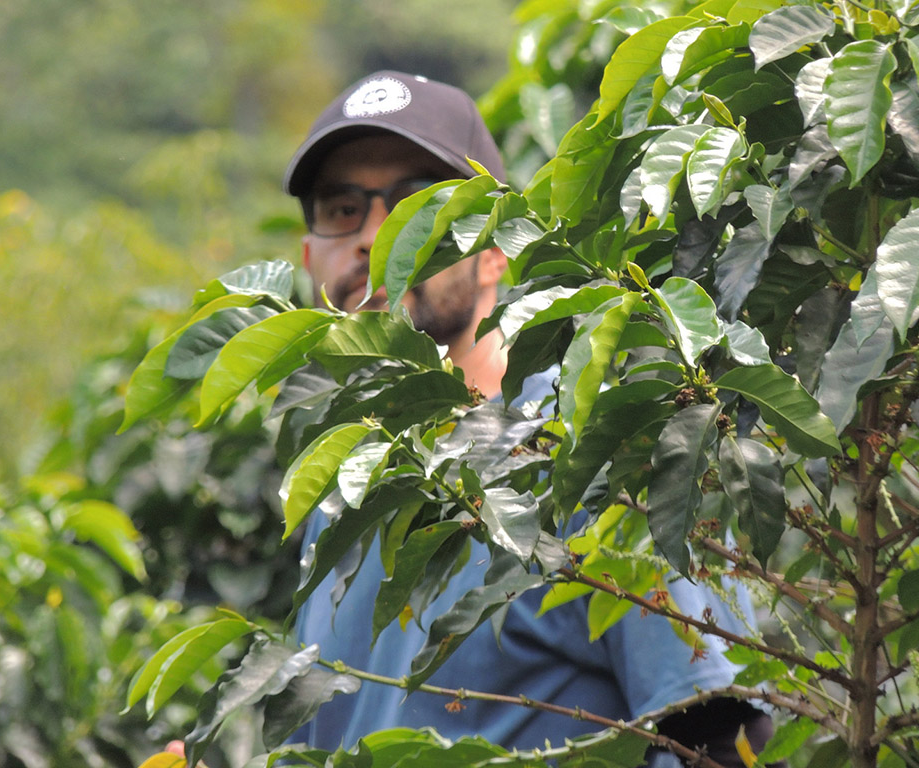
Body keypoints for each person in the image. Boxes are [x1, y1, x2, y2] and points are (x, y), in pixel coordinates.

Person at [173, 70, 778, 768]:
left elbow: (722, 737)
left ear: (495, 251)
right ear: (311, 259)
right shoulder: (342, 492)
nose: (376, 237)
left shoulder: (598, 454)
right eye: (343, 209)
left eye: (417, 207)